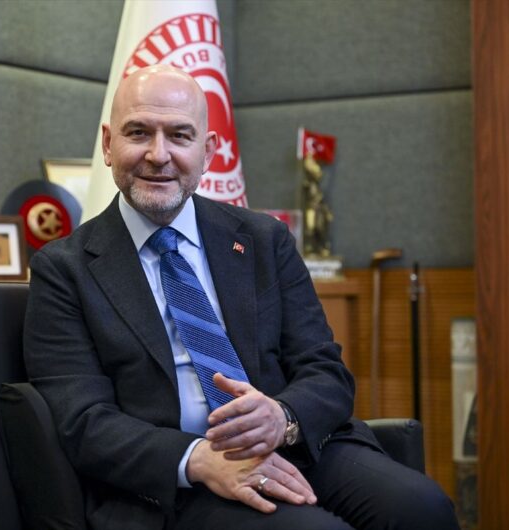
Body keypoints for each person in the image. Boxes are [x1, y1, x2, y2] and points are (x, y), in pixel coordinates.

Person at [24, 65, 459, 530]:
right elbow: (82, 420)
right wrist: (197, 458)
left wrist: (282, 416)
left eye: (180, 135)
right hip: (174, 482)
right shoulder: (64, 269)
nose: (158, 154)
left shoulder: (264, 240)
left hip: (294, 444)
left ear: (208, 151)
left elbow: (326, 371)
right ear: (108, 144)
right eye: (138, 133)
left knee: (423, 507)